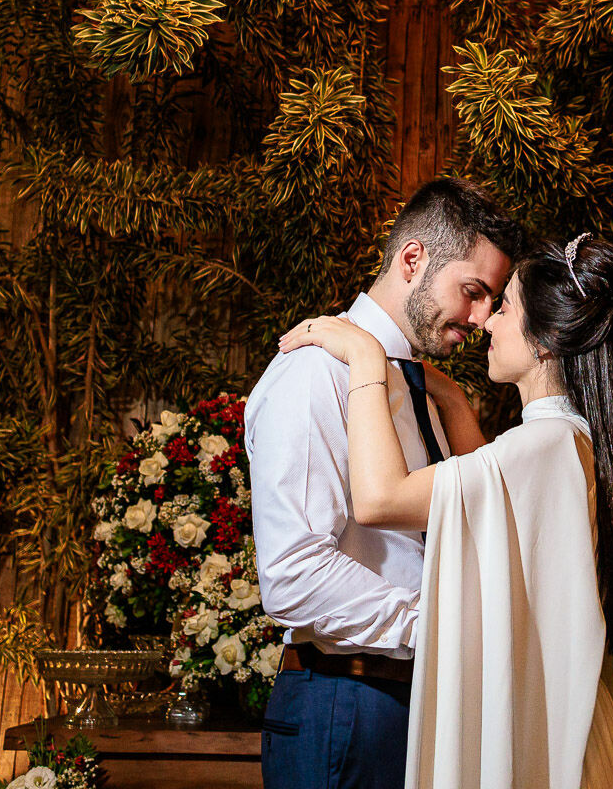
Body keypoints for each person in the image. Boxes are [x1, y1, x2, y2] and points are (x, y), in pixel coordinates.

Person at [279, 232, 613, 789]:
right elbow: (493, 502)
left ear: (546, 341)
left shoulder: (543, 447)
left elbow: (381, 498)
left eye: (505, 306)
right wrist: (453, 400)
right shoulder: (567, 440)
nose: (487, 321)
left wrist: (363, 354)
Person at [246, 177, 527, 789]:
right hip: (344, 704)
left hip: (420, 705)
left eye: (491, 301)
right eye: (473, 292)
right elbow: (294, 573)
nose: (481, 320)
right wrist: (439, 628)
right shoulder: (314, 371)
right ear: (413, 258)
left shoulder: (425, 390)